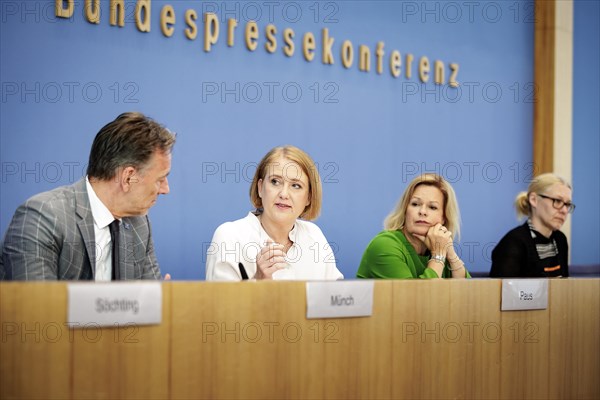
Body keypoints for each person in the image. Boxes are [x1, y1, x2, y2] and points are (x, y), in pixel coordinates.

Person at [0, 112, 176, 280]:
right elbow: (38, 307)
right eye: (160, 179)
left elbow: (147, 303)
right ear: (128, 177)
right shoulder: (42, 218)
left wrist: (157, 302)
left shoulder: (139, 225)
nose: (165, 189)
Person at [206, 145, 343, 281]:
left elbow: (335, 298)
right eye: (275, 182)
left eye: (296, 185)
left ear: (308, 197)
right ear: (260, 188)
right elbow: (219, 302)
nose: (284, 194)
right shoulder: (229, 237)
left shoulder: (314, 236)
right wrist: (258, 280)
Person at [357, 173, 469, 279]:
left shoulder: (437, 247)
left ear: (444, 217)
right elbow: (416, 298)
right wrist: (438, 257)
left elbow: (469, 295)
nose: (422, 211)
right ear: (405, 210)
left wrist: (450, 254)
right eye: (415, 204)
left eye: (432, 207)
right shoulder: (384, 245)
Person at [490, 173, 573, 278]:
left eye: (567, 204)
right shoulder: (513, 243)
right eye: (557, 201)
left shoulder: (560, 239)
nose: (564, 210)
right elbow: (504, 293)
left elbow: (563, 288)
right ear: (534, 199)